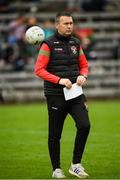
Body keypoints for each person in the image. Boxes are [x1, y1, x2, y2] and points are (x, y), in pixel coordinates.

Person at [34, 12, 90, 179]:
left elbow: (84, 65)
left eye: (71, 23)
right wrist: (59, 80)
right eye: (65, 23)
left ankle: (76, 165)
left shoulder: (76, 42)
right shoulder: (48, 44)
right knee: (55, 134)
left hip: (75, 94)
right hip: (55, 95)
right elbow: (39, 70)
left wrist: (83, 76)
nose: (69, 26)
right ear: (57, 25)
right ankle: (56, 169)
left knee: (84, 125)